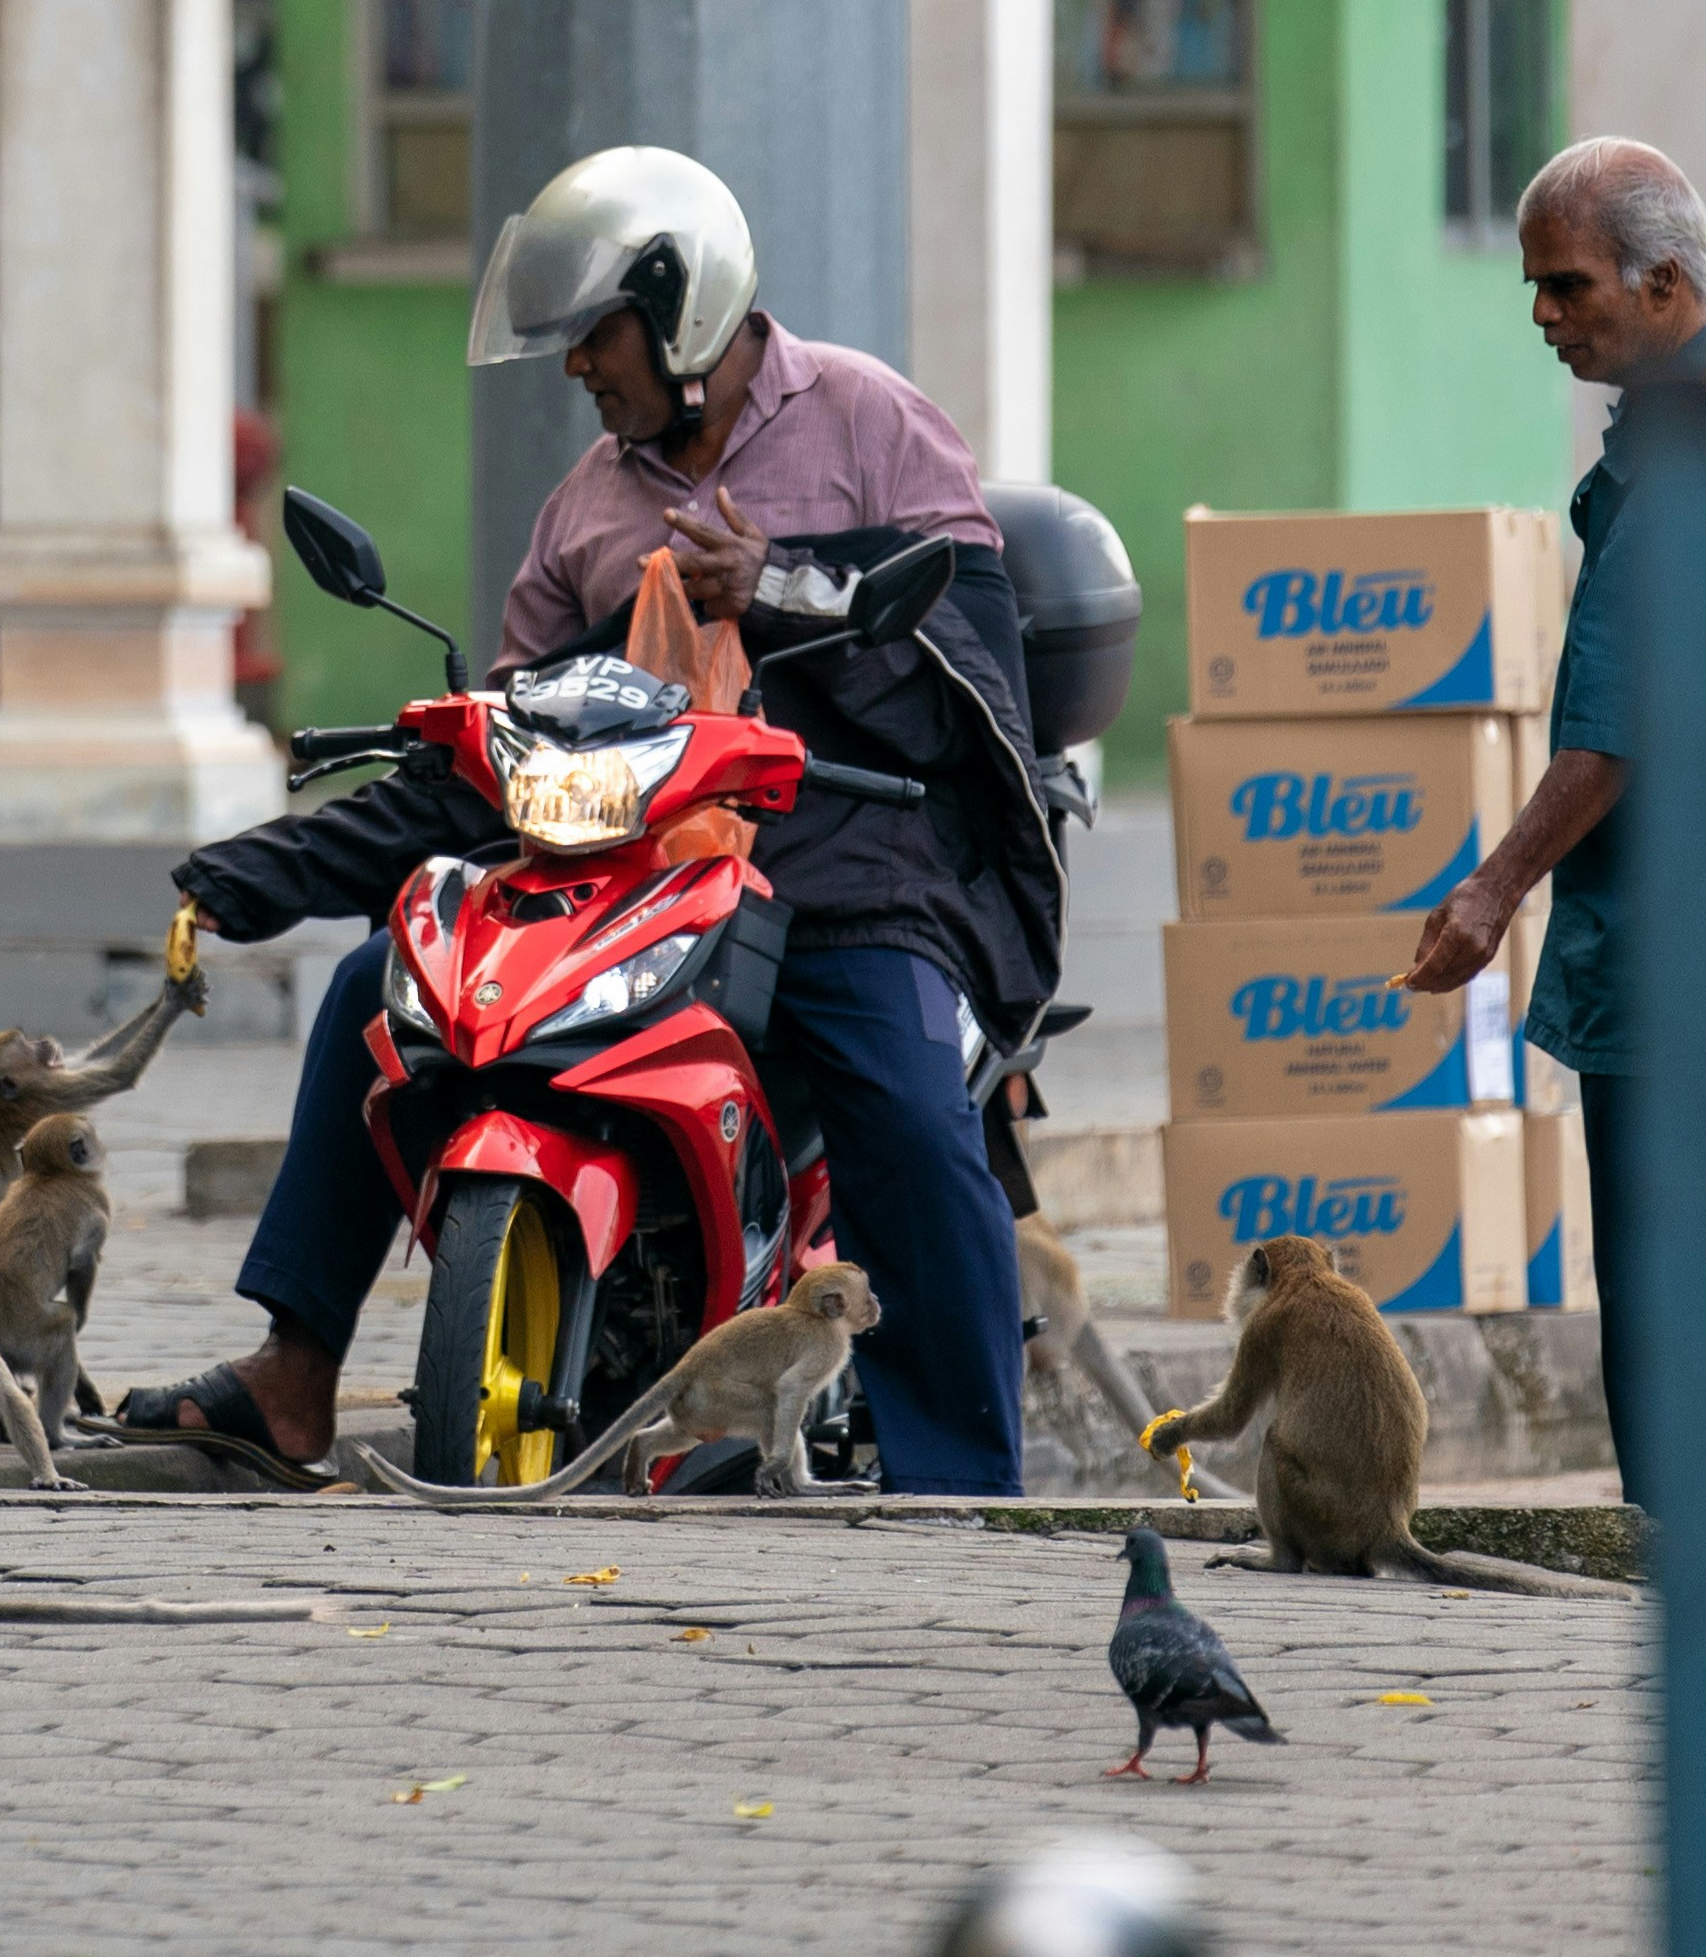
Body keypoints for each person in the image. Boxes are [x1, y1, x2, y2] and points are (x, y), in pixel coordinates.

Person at [118, 146, 1056, 1495]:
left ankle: (968, 1478)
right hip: (629, 870)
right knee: (376, 998)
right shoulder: (586, 510)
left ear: (678, 310)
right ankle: (294, 1372)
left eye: (594, 335)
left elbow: (972, 654)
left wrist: (784, 586)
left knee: (907, 1103)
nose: (576, 369)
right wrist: (262, 869)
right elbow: (492, 756)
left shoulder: (869, 421)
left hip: (849, 866)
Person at [1404, 134, 1706, 1514]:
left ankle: (1674, 1550)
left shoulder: (1690, 470)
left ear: (1662, 283)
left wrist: (1492, 886)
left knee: (1670, 1297)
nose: (1543, 317)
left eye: (1567, 287)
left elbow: (1618, 722)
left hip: (1680, 954)